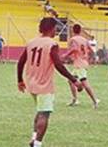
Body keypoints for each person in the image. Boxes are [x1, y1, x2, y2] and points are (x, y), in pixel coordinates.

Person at [17, 18, 83, 147]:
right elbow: (58, 65)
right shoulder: (52, 44)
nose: (56, 31)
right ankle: (37, 144)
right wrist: (74, 79)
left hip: (31, 83)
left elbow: (20, 62)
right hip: (44, 85)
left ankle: (34, 138)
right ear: (52, 28)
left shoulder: (31, 42)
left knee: (40, 111)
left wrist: (19, 80)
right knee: (44, 113)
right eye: (55, 28)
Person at [64, 24, 100, 108]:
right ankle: (75, 99)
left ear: (73, 30)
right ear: (80, 31)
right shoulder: (84, 40)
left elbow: (74, 49)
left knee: (84, 83)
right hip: (83, 63)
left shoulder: (73, 39)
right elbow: (91, 50)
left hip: (79, 64)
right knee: (70, 80)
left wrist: (65, 55)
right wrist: (92, 58)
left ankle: (95, 100)